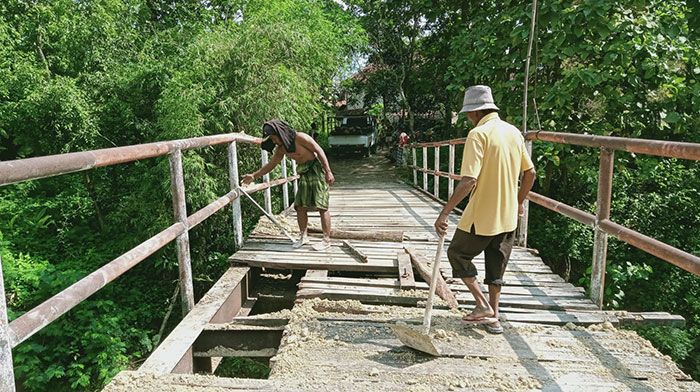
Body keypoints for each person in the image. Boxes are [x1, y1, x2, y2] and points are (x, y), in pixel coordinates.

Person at [433, 85, 536, 334]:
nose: (468, 118)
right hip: (507, 215)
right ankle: (495, 317)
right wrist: (519, 201)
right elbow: (530, 173)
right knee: (496, 264)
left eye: (469, 113)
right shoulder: (513, 132)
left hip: (481, 214)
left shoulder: (478, 134)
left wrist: (445, 212)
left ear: (476, 112)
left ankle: (482, 305)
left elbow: (469, 180)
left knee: (458, 253)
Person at [242, 119, 335, 251]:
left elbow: (319, 150)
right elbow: (271, 165)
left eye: (274, 138)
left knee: (322, 206)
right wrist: (254, 176)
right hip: (304, 173)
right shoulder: (281, 149)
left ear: (280, 134)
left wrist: (328, 171)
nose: (273, 142)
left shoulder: (300, 137)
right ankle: (303, 236)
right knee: (300, 206)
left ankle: (326, 240)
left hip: (316, 170)